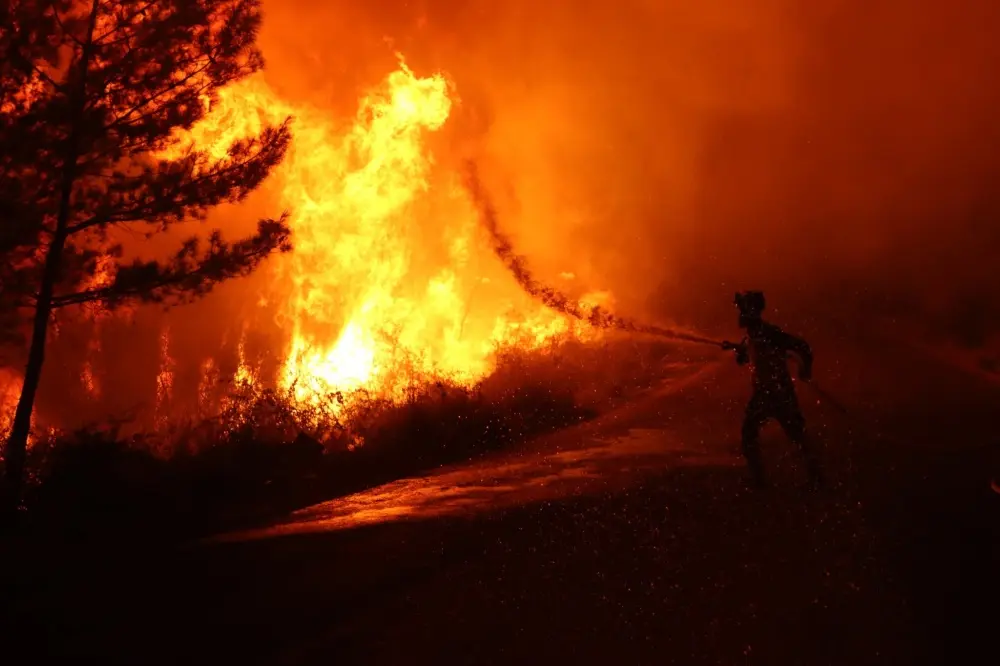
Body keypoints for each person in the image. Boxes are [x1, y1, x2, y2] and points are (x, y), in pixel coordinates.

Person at [723, 291, 823, 489]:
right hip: (764, 393)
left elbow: (802, 346)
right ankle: (760, 479)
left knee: (796, 435)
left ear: (752, 311)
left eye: (743, 309)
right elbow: (743, 360)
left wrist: (806, 370)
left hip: (779, 393)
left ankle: (816, 478)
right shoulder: (751, 336)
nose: (740, 314)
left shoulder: (770, 333)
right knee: (751, 433)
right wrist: (739, 350)